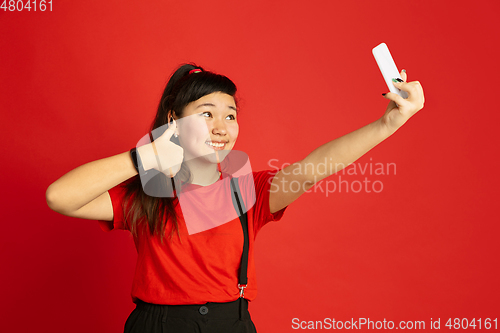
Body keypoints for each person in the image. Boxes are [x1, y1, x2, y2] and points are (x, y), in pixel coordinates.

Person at [45, 63, 424, 332]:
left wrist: (386, 124)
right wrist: (145, 157)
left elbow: (312, 170)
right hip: (158, 325)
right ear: (174, 121)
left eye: (230, 115)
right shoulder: (147, 195)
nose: (221, 127)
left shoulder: (247, 191)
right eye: (206, 113)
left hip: (232, 324)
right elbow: (60, 197)